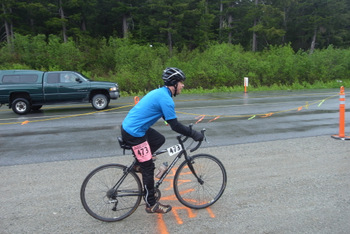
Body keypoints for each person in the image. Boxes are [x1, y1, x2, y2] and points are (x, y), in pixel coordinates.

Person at [121, 67, 204, 214]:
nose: (183, 85)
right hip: (134, 132)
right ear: (174, 84)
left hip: (135, 128)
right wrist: (194, 134)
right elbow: (175, 125)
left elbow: (169, 119)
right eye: (181, 83)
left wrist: (188, 131)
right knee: (149, 168)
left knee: (159, 139)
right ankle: (151, 204)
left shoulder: (161, 93)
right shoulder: (165, 99)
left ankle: (137, 165)